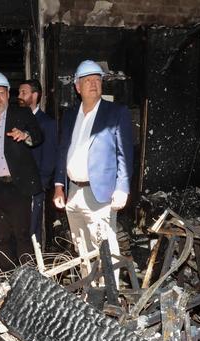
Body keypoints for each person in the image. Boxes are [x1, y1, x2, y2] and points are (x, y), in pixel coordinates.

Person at [53, 60, 133, 287]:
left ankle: (111, 295)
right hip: (74, 191)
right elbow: (62, 150)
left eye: (97, 80)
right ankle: (91, 294)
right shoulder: (70, 115)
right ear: (77, 87)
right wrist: (59, 184)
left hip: (101, 193)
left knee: (105, 247)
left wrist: (122, 188)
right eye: (87, 80)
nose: (93, 84)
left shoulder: (116, 112)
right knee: (82, 247)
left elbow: (124, 154)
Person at [0, 72, 43, 272]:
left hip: (18, 185)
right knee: (0, 236)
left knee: (22, 234)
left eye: (1, 94)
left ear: (7, 94)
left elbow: (39, 136)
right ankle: (7, 277)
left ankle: (29, 279)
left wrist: (25, 135)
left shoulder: (21, 114)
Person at [17, 79, 57, 246]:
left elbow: (49, 156)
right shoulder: (16, 120)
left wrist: (42, 183)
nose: (19, 96)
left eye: (23, 93)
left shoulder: (47, 123)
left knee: (32, 229)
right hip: (18, 184)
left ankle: (34, 265)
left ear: (35, 95)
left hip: (36, 184)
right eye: (19, 93)